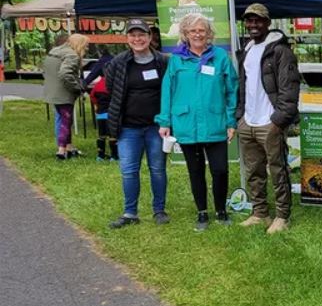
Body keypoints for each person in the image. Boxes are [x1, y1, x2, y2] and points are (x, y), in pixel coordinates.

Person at [156, 14, 238, 231]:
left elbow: (231, 90)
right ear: (185, 34)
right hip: (187, 123)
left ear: (209, 33)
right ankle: (202, 212)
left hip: (215, 121)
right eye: (193, 31)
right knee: (196, 170)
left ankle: (221, 210)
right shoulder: (176, 60)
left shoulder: (220, 57)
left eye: (202, 30)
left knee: (220, 169)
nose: (198, 34)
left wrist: (231, 122)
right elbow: (168, 91)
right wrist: (164, 121)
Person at [236, 3, 300, 234]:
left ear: (268, 23)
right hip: (248, 121)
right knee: (253, 170)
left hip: (269, 122)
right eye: (249, 21)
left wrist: (278, 120)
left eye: (258, 20)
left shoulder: (280, 51)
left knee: (278, 170)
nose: (253, 25)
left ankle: (282, 216)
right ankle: (260, 213)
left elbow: (290, 88)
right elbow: (243, 86)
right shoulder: (248, 48)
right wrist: (240, 116)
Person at [105, 19, 170, 229]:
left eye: (141, 35)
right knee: (129, 170)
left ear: (150, 37)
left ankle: (159, 210)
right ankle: (130, 212)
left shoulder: (162, 61)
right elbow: (110, 88)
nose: (137, 39)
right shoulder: (118, 63)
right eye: (132, 35)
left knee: (157, 169)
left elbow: (170, 90)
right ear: (127, 39)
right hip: (128, 128)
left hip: (156, 127)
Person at [43, 34, 89, 160]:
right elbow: (65, 73)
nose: (87, 48)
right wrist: (76, 87)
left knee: (63, 119)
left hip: (52, 91)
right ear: (79, 44)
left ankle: (68, 147)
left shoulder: (54, 52)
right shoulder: (72, 55)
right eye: (85, 45)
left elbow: (45, 71)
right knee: (66, 121)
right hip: (64, 93)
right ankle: (61, 150)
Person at [89, 75, 118, 161]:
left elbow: (92, 95)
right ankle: (114, 156)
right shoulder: (114, 84)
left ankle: (100, 156)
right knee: (112, 136)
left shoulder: (98, 84)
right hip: (111, 114)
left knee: (101, 135)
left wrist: (96, 104)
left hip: (100, 115)